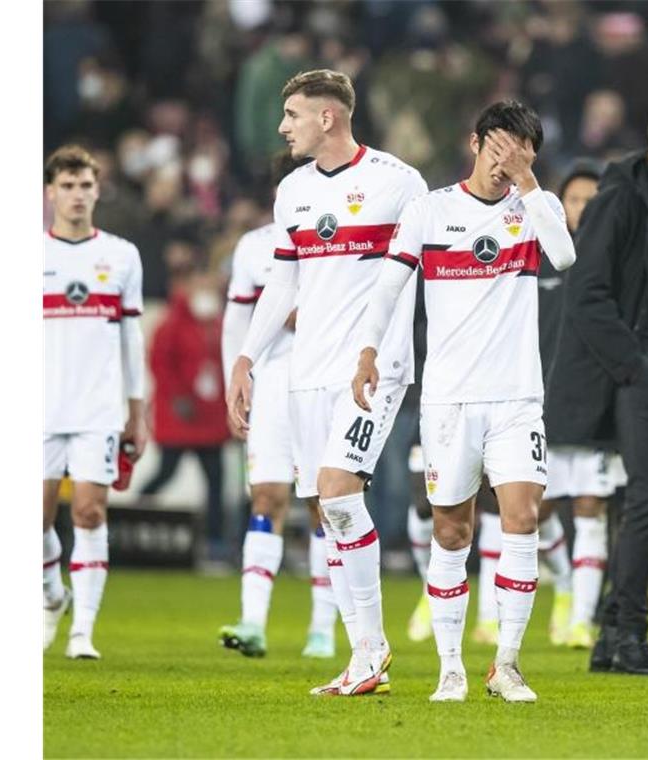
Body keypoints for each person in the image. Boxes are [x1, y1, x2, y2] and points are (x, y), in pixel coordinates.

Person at [352, 100, 576, 702]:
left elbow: (566, 257)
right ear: (475, 142)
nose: (507, 158)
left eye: (521, 148)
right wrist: (368, 350)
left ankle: (506, 664)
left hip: (517, 397)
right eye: (499, 144)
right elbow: (389, 285)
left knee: (523, 518)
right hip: (449, 400)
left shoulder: (536, 209)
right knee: (452, 532)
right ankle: (450, 666)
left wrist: (529, 184)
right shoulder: (429, 209)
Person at [226, 69, 427, 697]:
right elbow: (282, 282)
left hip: (373, 370)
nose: (282, 125)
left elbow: (418, 279)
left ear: (328, 117)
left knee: (339, 494)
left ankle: (371, 649)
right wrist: (246, 358)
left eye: (291, 114)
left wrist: (391, 352)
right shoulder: (292, 192)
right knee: (325, 510)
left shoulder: (399, 184)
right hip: (307, 370)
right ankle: (362, 653)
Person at [545, 101, 648, 677]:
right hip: (643, 366)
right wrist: (633, 365)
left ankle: (611, 638)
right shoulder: (621, 198)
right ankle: (629, 635)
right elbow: (586, 294)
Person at [218, 153, 338, 660]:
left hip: (324, 383)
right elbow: (235, 323)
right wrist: (235, 380)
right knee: (265, 497)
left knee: (325, 506)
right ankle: (252, 622)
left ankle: (322, 629)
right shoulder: (253, 248)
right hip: (270, 387)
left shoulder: (337, 240)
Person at [44, 145, 147, 659]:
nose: (77, 195)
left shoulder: (122, 255)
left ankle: (83, 631)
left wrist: (138, 411)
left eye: (85, 185)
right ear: (50, 193)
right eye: (67, 186)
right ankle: (51, 594)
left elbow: (133, 339)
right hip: (38, 407)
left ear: (97, 190)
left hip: (98, 409)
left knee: (87, 512)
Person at [538, 161, 607, 649]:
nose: (582, 208)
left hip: (593, 400)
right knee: (533, 510)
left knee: (590, 508)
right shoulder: (536, 255)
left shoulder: (610, 260)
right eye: (575, 199)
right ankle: (562, 578)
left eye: (591, 200)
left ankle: (582, 617)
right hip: (537, 398)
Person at [139, 269, 229, 561]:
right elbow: (159, 363)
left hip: (210, 417)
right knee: (166, 472)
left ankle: (215, 542)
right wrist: (177, 396)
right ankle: (137, 518)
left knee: (216, 482)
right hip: (179, 416)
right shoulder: (171, 324)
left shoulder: (218, 323)